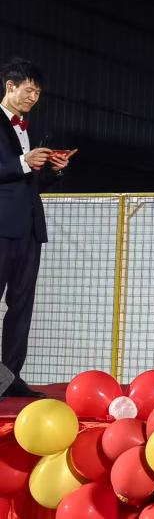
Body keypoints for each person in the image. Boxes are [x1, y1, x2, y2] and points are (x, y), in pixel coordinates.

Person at [0, 58, 71, 399]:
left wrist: (54, 170)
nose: (33, 98)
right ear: (9, 86)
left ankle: (9, 378)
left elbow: (30, 185)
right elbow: (14, 170)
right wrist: (22, 162)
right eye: (29, 90)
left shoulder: (30, 128)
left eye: (38, 93)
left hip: (29, 230)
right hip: (1, 228)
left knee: (21, 306)